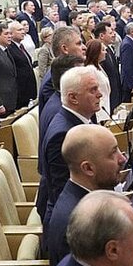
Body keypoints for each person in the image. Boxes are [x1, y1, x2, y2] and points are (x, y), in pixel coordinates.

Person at [45, 124, 126, 266]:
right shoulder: (81, 226)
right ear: (88, 168)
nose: (122, 159)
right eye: (113, 153)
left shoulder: (85, 199)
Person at [36, 66, 102, 224]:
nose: (99, 94)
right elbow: (65, 193)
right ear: (73, 98)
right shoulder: (63, 134)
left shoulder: (76, 122)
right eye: (93, 90)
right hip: (73, 224)